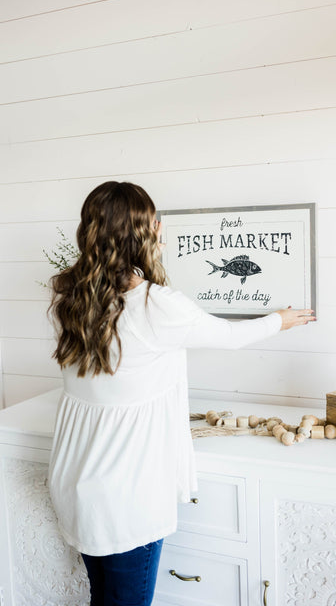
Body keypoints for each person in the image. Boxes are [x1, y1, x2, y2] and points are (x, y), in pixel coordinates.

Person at [46, 181, 316, 606]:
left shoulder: (70, 299)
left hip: (77, 486)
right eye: (154, 222)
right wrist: (279, 320)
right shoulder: (155, 305)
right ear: (145, 232)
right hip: (125, 499)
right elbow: (229, 335)